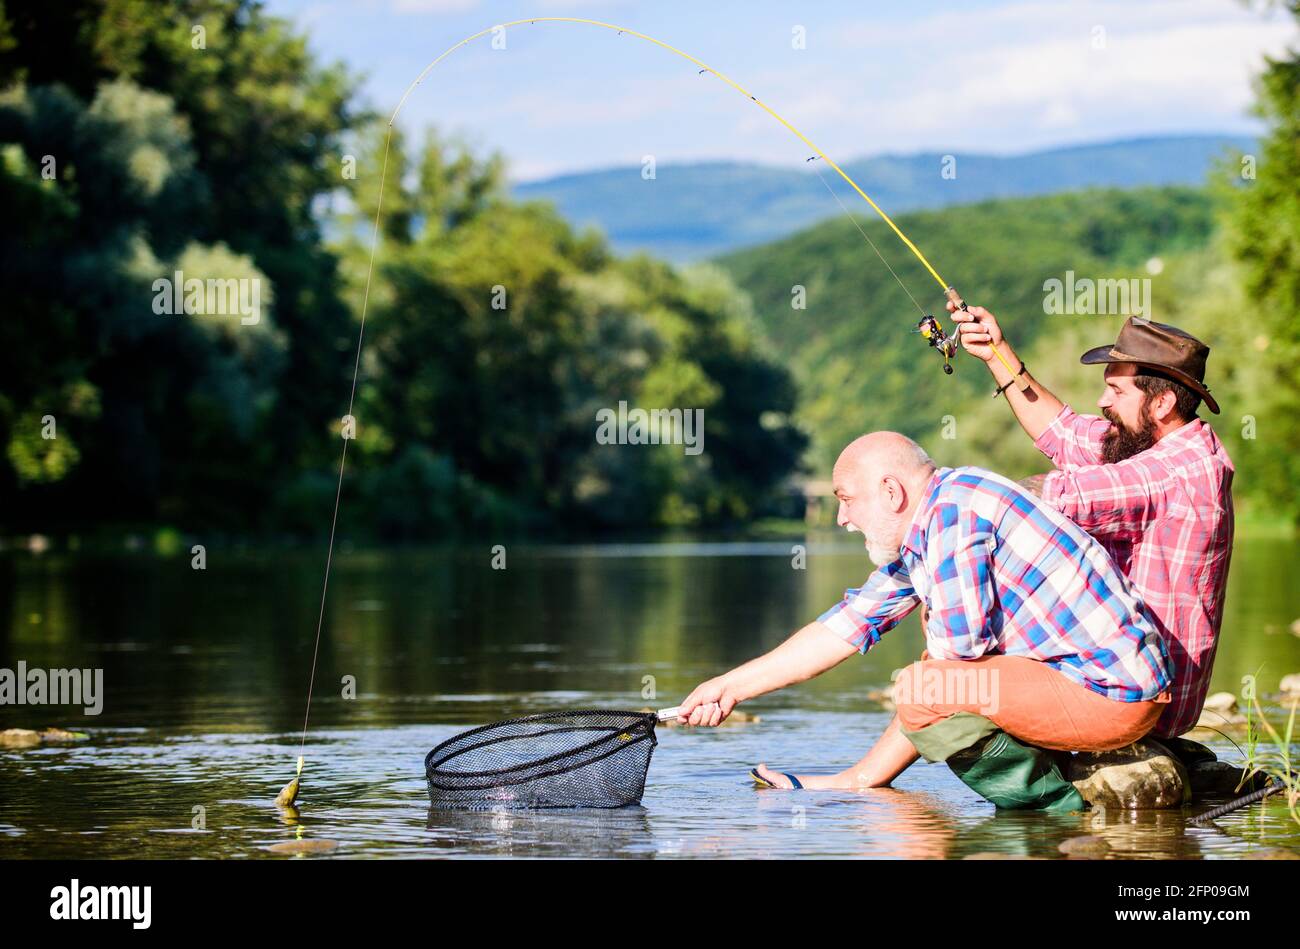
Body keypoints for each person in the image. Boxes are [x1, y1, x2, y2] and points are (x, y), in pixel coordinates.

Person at [676, 431, 1172, 812]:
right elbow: (844, 626)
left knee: (925, 684)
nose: (842, 519)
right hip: (1093, 683)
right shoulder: (938, 514)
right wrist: (730, 686)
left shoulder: (954, 519)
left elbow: (951, 666)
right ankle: (868, 778)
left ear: (891, 492)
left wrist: (866, 771)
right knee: (929, 680)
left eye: (845, 498)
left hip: (1111, 695)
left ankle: (1056, 807)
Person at [951, 307, 1233, 762]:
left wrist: (951, 501)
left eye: (1116, 389)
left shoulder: (1172, 472)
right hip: (1140, 684)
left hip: (1141, 700)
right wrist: (995, 353)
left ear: (1161, 403)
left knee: (951, 678)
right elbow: (1062, 433)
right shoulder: (1168, 444)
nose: (1103, 400)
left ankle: (1045, 798)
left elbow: (1054, 496)